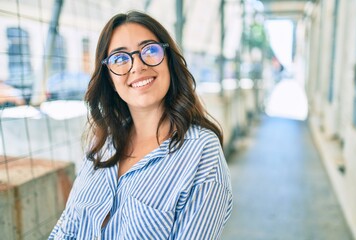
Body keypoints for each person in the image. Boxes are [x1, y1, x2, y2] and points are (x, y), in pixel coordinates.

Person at [49, 10, 232, 240]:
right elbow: (66, 227)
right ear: (110, 79)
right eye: (120, 58)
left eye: (150, 51)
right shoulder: (103, 143)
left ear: (169, 61)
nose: (137, 66)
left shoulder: (202, 152)